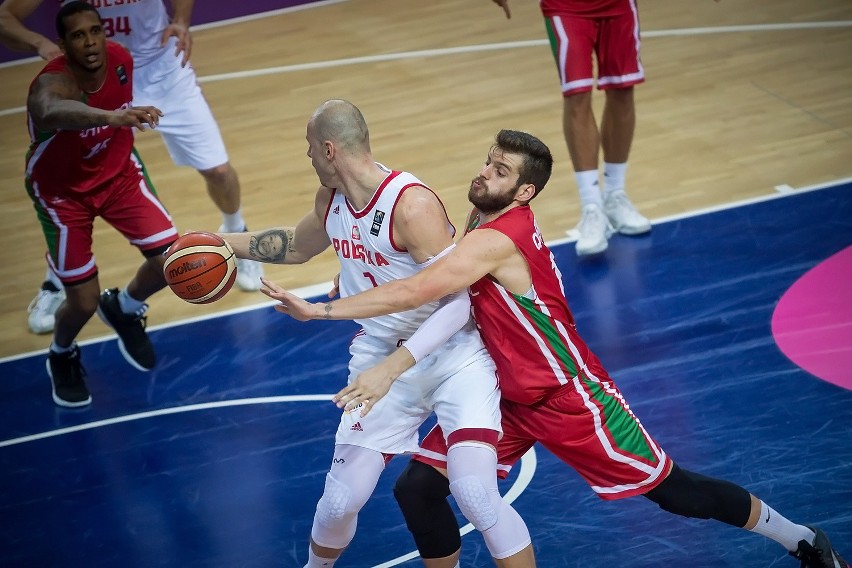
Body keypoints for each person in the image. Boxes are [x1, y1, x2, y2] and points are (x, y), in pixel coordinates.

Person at [261, 129, 849, 568]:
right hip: (505, 391)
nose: (484, 173)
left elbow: (423, 287)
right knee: (419, 489)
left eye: (500, 170)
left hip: (567, 394)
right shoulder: (480, 222)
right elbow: (417, 268)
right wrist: (357, 275)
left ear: (524, 191)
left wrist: (322, 309)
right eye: (487, 161)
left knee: (673, 492)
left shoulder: (500, 236)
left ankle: (798, 537)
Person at [218, 99, 534, 568]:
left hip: (452, 354)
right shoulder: (331, 199)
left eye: (309, 148)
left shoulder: (411, 205)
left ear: (329, 149)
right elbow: (295, 245)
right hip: (381, 354)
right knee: (338, 503)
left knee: (475, 493)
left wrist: (381, 359)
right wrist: (217, 241)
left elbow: (458, 302)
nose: (307, 157)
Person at [0, 0, 263, 335]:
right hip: (91, 76)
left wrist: (181, 19)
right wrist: (40, 43)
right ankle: (57, 283)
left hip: (161, 70)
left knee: (219, 172)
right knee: (75, 178)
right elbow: (4, 17)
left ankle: (237, 236)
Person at [26, 1, 179, 407]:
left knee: (172, 260)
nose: (90, 41)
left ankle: (125, 307)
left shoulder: (121, 59)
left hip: (118, 177)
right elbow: (50, 110)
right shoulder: (50, 85)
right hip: (62, 194)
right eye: (78, 35)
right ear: (62, 44)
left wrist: (115, 126)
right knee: (81, 301)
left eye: (95, 31)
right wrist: (110, 117)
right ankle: (61, 353)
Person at [490, 0, 650, 256]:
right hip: (565, 5)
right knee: (577, 95)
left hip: (619, 5)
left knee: (622, 89)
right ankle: (592, 207)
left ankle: (615, 194)